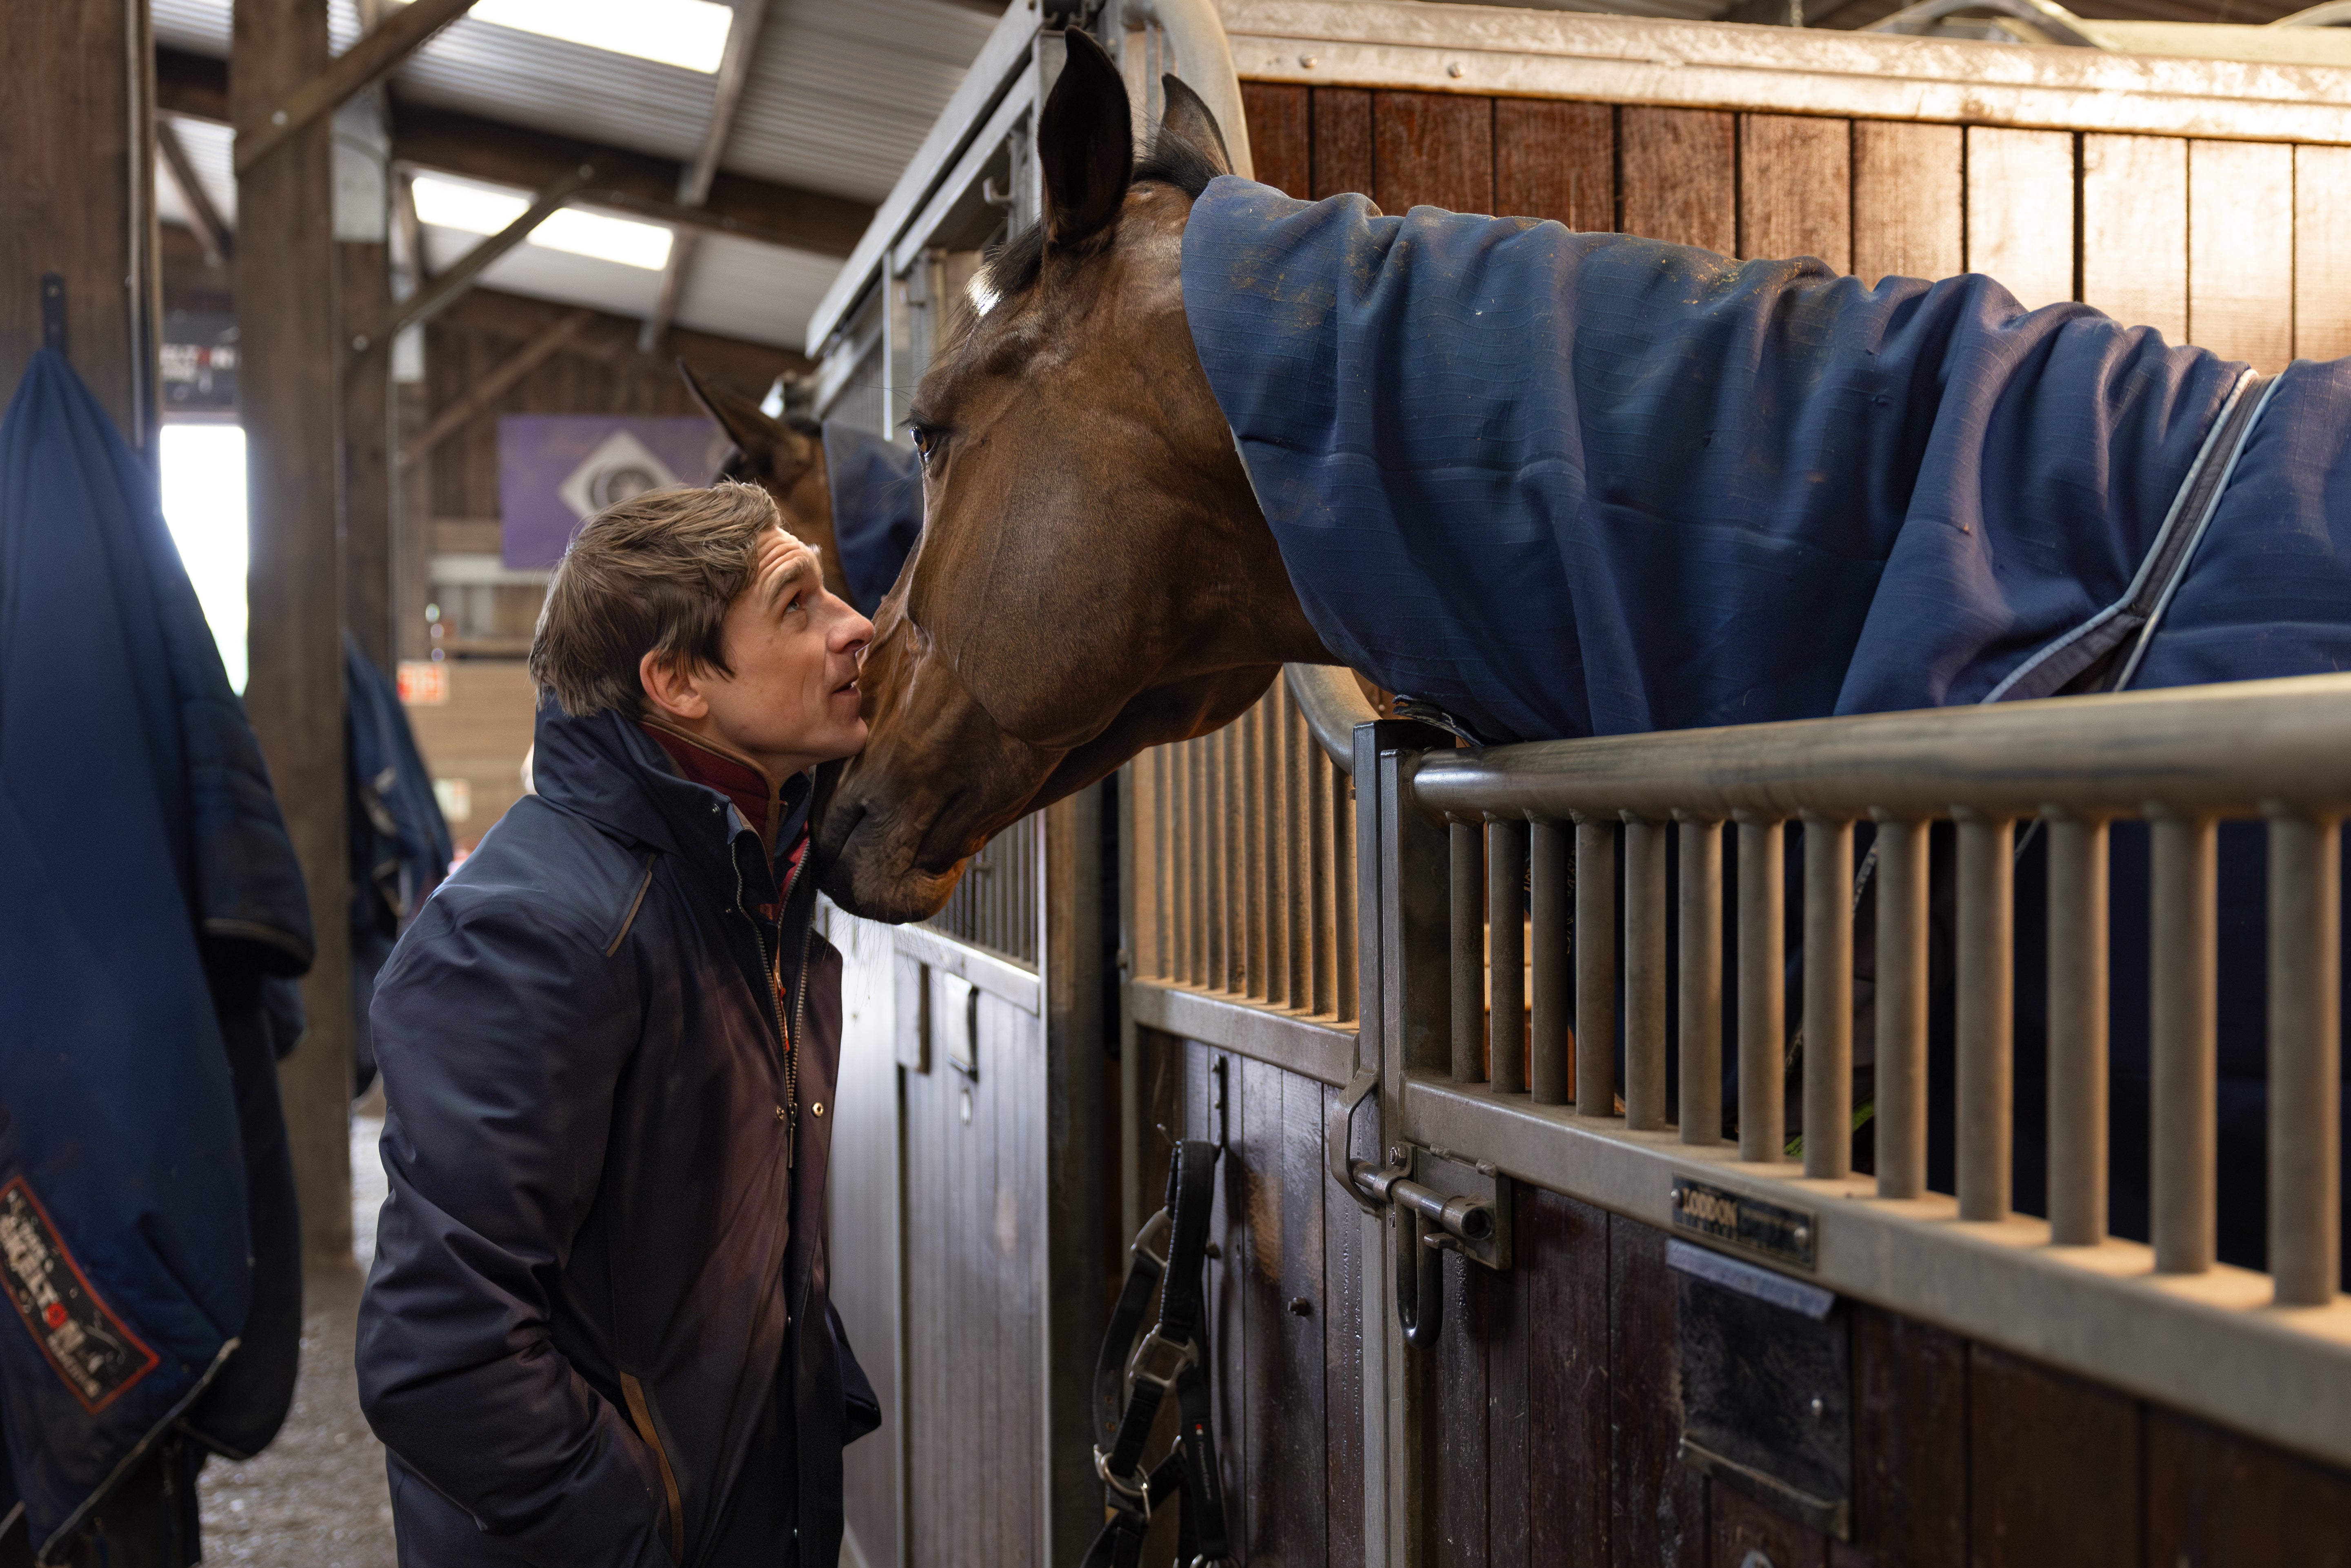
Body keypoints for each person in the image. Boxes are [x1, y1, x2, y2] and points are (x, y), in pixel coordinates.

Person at [356, 481, 879, 1567]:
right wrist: (646, 1528)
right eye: (798, 605)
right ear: (678, 680)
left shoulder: (744, 888)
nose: (855, 627)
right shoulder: (531, 930)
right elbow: (442, 1351)